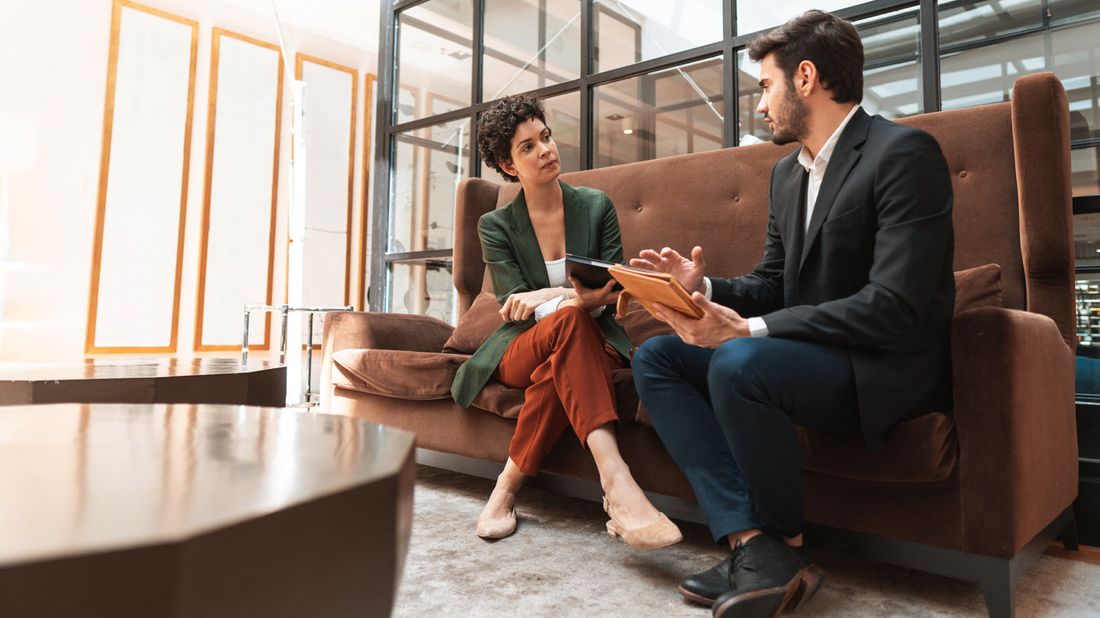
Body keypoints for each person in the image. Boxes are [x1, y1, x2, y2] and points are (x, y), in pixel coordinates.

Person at [629, 10, 954, 617]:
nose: (760, 106)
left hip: (877, 366)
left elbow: (896, 306)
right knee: (659, 357)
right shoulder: (786, 175)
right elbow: (776, 282)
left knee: (738, 363)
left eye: (764, 86)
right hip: (801, 358)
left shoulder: (905, 153)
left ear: (806, 77)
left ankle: (787, 545)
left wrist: (746, 328)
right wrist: (706, 285)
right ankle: (758, 547)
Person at [451, 94, 682, 549]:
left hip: (594, 337)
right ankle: (616, 483)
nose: (546, 150)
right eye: (528, 147)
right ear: (508, 164)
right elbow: (517, 307)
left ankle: (506, 489)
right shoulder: (495, 225)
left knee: (566, 354)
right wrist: (572, 298)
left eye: (546, 137)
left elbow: (616, 289)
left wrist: (553, 295)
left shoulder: (596, 206)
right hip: (522, 345)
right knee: (570, 326)